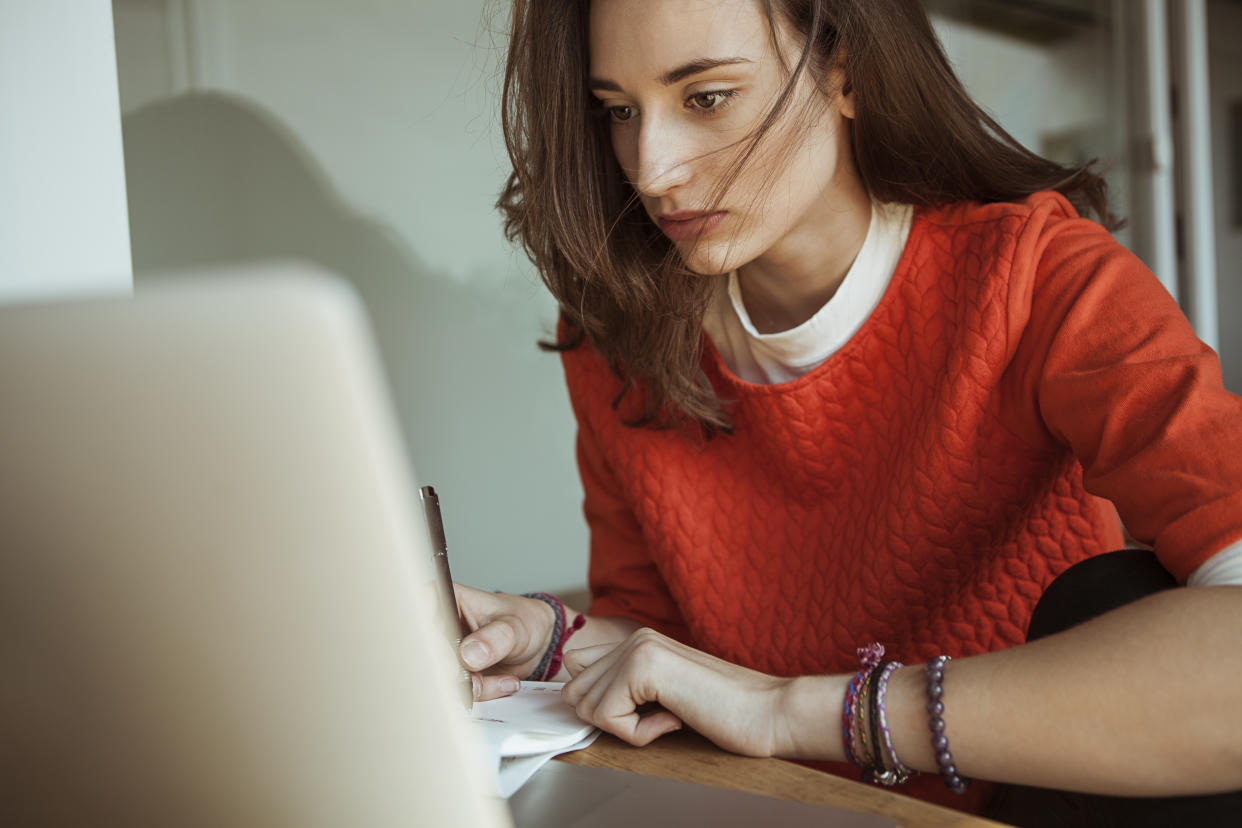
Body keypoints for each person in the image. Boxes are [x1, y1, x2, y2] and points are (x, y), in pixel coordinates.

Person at [454, 0, 1242, 823]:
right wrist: (552, 640)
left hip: (1013, 810)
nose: (651, 169)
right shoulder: (615, 330)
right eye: (619, 110)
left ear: (847, 70)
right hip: (769, 810)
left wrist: (796, 711)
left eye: (707, 97)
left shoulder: (1042, 279)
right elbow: (663, 654)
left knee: (1114, 593)